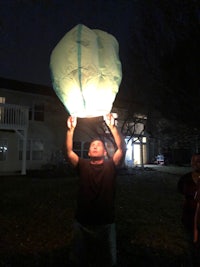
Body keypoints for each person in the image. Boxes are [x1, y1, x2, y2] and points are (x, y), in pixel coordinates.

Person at [66, 113, 125, 267]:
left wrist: (112, 126)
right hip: (82, 221)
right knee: (79, 260)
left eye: (98, 145)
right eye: (92, 145)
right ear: (88, 153)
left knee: (107, 261)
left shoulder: (110, 165)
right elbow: (69, 152)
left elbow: (122, 148)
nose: (95, 146)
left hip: (105, 222)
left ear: (105, 153)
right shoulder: (83, 165)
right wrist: (71, 130)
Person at [177, 153, 200, 266]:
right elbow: (181, 192)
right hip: (188, 217)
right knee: (191, 245)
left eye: (199, 161)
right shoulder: (185, 179)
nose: (196, 163)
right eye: (193, 161)